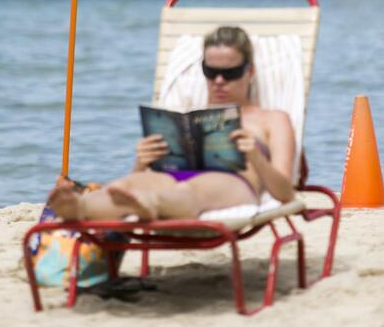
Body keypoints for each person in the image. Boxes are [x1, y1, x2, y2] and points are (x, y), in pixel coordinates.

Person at [49, 26, 296, 222]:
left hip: (234, 181)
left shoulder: (273, 119)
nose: (219, 81)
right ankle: (79, 207)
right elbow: (138, 179)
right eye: (210, 71)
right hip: (174, 176)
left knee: (190, 192)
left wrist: (255, 156)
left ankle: (151, 205)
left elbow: (285, 193)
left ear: (250, 72)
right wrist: (141, 162)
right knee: (125, 185)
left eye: (229, 73)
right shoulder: (186, 117)